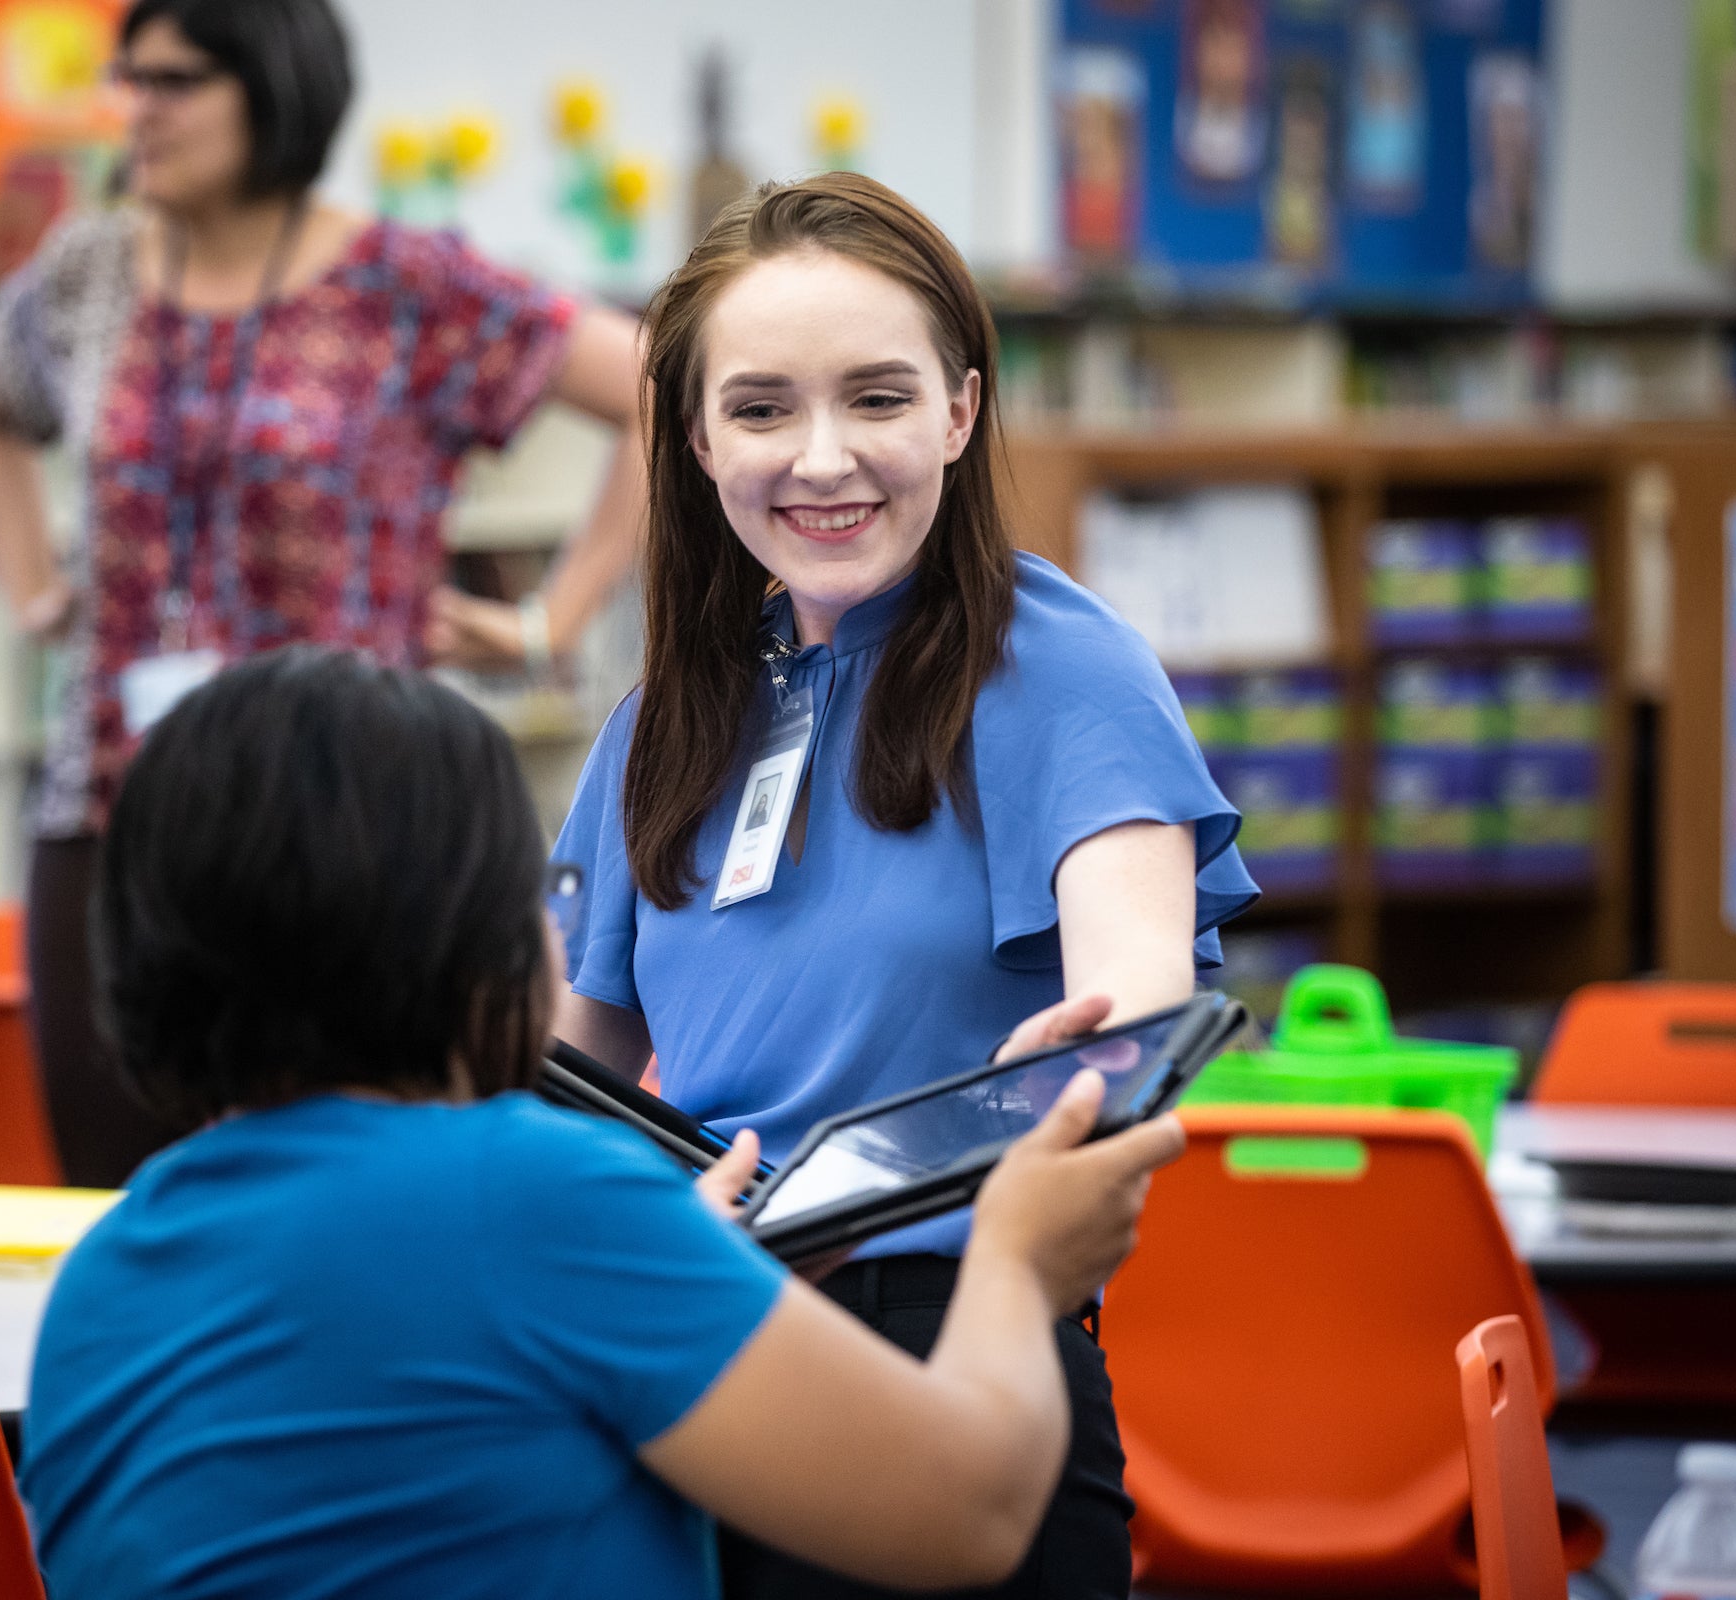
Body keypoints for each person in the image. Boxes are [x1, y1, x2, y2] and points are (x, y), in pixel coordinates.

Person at [18, 646, 1188, 1600]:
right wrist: (1018, 1262)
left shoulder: (98, 1284)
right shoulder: (531, 1193)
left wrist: (689, 1276)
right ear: (461, 938)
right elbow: (969, 1514)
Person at [549, 173, 1260, 1600]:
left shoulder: (1061, 663)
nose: (821, 460)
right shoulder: (659, 725)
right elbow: (574, 1080)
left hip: (954, 1340)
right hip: (696, 1357)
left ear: (960, 411)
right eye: (760, 410)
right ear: (693, 442)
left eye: (876, 398)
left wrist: (1093, 1050)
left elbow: (1134, 994)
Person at [0, 0, 648, 1188]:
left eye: (175, 82)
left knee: (371, 1191)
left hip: (356, 817)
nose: (139, 110)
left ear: (273, 90)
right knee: (120, 1201)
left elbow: (655, 388)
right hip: (117, 805)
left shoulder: (404, 283)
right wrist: (31, 586)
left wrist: (554, 619)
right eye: (131, 79)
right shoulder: (91, 268)